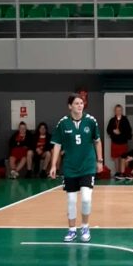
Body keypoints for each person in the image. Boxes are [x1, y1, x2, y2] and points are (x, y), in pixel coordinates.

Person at [50, 94, 103, 243]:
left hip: (87, 166)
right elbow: (57, 145)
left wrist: (99, 161)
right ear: (70, 106)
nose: (80, 106)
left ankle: (85, 226)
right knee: (71, 200)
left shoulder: (91, 121)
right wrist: (53, 165)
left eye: (81, 103)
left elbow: (97, 141)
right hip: (70, 167)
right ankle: (72, 229)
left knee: (86, 198)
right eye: (76, 103)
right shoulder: (63, 123)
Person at [107, 104, 133, 179]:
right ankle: (117, 173)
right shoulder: (112, 120)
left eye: (119, 110)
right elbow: (108, 130)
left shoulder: (125, 120)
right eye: (117, 110)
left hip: (123, 142)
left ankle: (123, 173)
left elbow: (129, 131)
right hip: (114, 142)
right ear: (114, 111)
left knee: (123, 158)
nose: (118, 112)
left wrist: (120, 132)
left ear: (122, 111)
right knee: (116, 158)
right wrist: (113, 131)